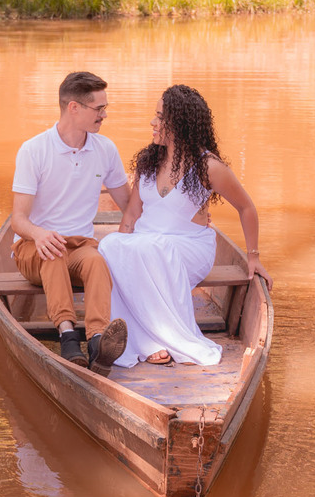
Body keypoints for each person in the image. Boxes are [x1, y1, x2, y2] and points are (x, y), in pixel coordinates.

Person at [98, 84, 272, 368]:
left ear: (179, 123)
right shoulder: (148, 161)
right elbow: (130, 218)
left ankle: (161, 340)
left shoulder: (208, 167)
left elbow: (246, 207)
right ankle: (140, 337)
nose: (152, 123)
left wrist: (253, 256)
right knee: (109, 245)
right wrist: (122, 256)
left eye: (159, 117)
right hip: (146, 244)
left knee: (154, 246)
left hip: (188, 247)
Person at [11, 71, 131, 368]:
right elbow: (18, 220)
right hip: (32, 247)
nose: (104, 115)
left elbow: (129, 204)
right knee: (52, 253)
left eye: (105, 108)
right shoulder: (34, 150)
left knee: (96, 260)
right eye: (99, 109)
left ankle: (97, 340)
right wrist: (39, 235)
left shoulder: (105, 149)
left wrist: (177, 216)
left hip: (79, 246)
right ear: (74, 107)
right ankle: (67, 335)